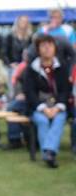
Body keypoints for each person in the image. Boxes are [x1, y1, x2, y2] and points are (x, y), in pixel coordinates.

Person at [22, 34, 70, 168]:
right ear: (38, 49)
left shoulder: (62, 67)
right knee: (42, 120)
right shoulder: (31, 69)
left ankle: (48, 152)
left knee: (59, 119)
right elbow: (29, 92)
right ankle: (50, 154)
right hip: (38, 106)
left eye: (50, 45)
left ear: (55, 48)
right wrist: (43, 108)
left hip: (58, 106)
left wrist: (57, 107)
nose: (47, 48)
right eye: (43, 45)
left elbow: (65, 90)